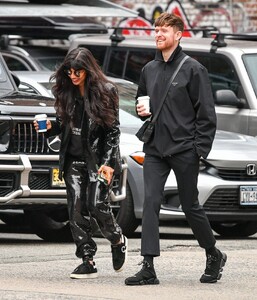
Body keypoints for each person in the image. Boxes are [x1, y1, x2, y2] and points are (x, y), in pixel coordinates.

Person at [125, 12, 227, 286]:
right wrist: (141, 110)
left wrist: (198, 150)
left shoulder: (194, 69)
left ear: (178, 35)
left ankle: (213, 253)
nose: (158, 34)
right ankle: (148, 266)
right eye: (156, 30)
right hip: (155, 148)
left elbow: (206, 115)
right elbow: (142, 104)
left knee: (190, 205)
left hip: (185, 150)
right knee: (150, 203)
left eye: (164, 31)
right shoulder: (148, 70)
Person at [33, 47, 127, 279]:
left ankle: (116, 238)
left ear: (88, 71)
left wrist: (107, 163)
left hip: (99, 161)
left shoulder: (106, 91)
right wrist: (48, 128)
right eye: (69, 72)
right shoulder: (67, 91)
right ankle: (87, 259)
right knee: (76, 210)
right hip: (73, 160)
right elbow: (63, 123)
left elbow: (113, 132)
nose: (73, 76)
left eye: (78, 72)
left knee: (97, 205)